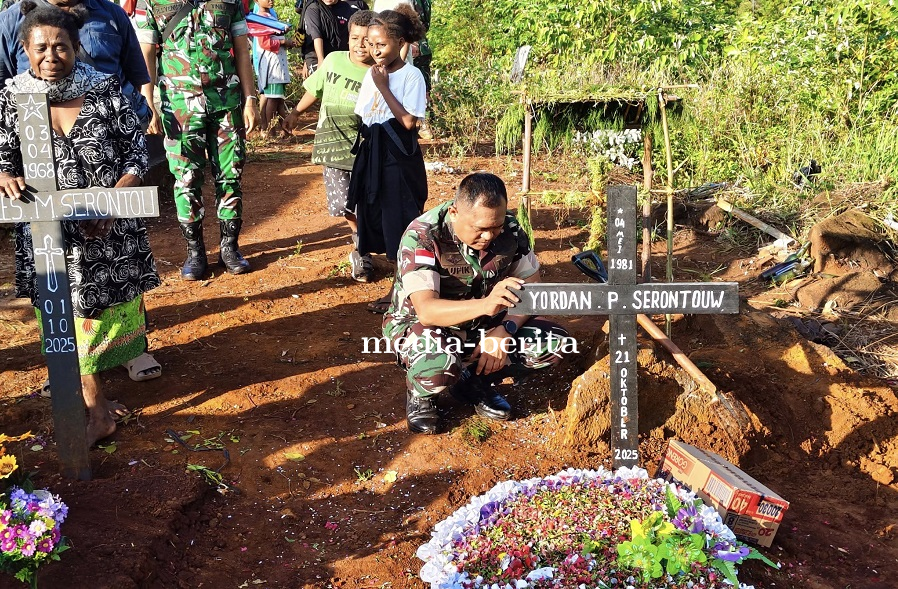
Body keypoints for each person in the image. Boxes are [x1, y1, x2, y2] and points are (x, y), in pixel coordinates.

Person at [0, 1, 160, 446]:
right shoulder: (13, 98)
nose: (51, 56)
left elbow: (135, 153)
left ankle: (97, 402)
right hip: (48, 235)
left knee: (102, 314)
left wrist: (114, 197)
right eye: (40, 48)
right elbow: (2, 156)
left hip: (108, 231)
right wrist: (4, 174)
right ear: (24, 50)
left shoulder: (105, 90)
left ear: (76, 49)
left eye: (62, 47)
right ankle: (95, 410)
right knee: (64, 316)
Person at [383, 173, 570, 434]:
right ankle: (423, 395)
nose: (489, 236)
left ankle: (472, 381)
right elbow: (427, 311)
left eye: (496, 227)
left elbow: (533, 288)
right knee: (438, 366)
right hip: (422, 326)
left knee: (555, 343)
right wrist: (486, 305)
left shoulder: (510, 230)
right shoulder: (424, 235)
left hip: (485, 324)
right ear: (454, 212)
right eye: (480, 228)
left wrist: (505, 330)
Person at [135, 0, 259, 280]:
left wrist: (250, 99)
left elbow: (241, 48)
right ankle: (195, 252)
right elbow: (147, 52)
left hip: (225, 103)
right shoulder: (151, 1)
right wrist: (148, 101)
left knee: (231, 174)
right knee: (186, 178)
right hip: (179, 106)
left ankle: (230, 248)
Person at [347, 5, 426, 312]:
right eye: (370, 44)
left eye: (381, 45)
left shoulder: (411, 76)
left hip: (398, 160)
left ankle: (401, 292)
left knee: (399, 223)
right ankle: (400, 287)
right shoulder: (372, 74)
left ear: (399, 42)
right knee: (376, 217)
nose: (374, 51)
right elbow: (365, 116)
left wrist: (383, 87)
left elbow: (409, 122)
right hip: (373, 155)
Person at [283, 9, 373, 281]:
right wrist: (295, 113)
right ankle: (360, 242)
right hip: (331, 146)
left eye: (367, 40)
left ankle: (363, 251)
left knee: (365, 203)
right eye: (355, 38)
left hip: (363, 150)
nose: (360, 45)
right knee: (345, 205)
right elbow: (315, 88)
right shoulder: (333, 60)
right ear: (348, 38)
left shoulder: (378, 73)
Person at [0, 0, 152, 130]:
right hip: (40, 142)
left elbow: (134, 78)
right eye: (41, 48)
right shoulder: (10, 21)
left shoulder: (112, 13)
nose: (51, 57)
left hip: (108, 134)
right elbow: (4, 88)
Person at [251, 0, 294, 136]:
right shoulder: (260, 18)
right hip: (272, 66)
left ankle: (284, 129)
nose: (271, 0)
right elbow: (264, 42)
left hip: (277, 63)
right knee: (273, 99)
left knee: (278, 99)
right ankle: (268, 130)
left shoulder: (270, 15)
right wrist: (283, 41)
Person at [298, 0, 364, 75]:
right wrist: (320, 60)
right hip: (317, 55)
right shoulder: (313, 7)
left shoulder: (347, 8)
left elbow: (351, 34)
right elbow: (316, 35)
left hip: (339, 56)